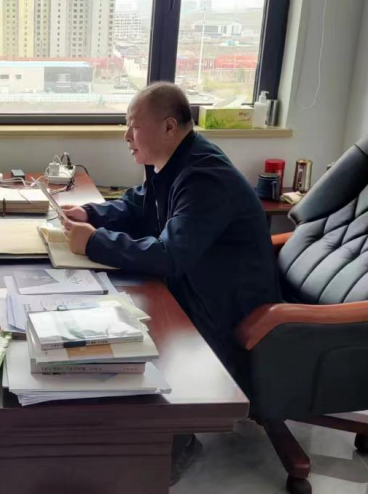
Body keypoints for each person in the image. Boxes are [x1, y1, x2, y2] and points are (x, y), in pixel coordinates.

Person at [61, 82, 281, 484]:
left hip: (226, 303)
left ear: (167, 127)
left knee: (134, 315)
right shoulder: (173, 161)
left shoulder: (204, 177)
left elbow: (169, 256)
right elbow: (139, 203)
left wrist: (94, 242)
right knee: (113, 299)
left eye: (132, 126)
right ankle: (111, 426)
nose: (126, 136)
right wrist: (91, 214)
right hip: (197, 282)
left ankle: (174, 438)